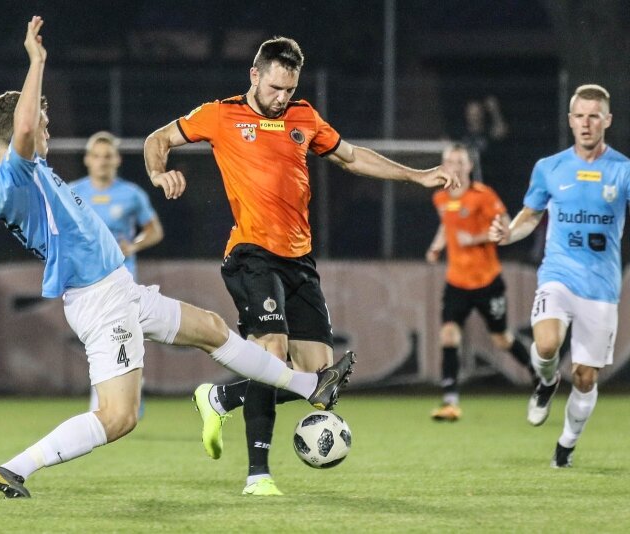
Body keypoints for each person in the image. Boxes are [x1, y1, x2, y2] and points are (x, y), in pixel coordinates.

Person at [0, 17, 355, 499]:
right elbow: (25, 126)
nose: (47, 132)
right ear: (22, 132)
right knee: (118, 417)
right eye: (44, 126)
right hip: (100, 300)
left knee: (212, 329)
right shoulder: (16, 173)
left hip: (118, 289)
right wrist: (37, 60)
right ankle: (13, 468)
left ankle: (309, 387)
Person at [144, 36, 459, 495]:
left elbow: (352, 156)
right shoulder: (220, 114)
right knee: (271, 355)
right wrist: (159, 172)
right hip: (251, 253)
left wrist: (416, 175)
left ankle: (220, 398)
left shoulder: (304, 117)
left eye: (289, 89)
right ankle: (258, 475)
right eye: (275, 88)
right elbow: (158, 139)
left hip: (300, 260)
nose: (281, 97)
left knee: (319, 379)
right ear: (254, 75)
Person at [489, 84, 629, 468]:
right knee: (547, 344)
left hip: (601, 287)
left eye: (594, 116)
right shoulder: (549, 167)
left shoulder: (623, 170)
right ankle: (546, 381)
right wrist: (508, 233)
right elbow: (531, 214)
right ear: (570, 120)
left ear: (607, 120)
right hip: (558, 275)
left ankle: (566, 445)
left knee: (585, 378)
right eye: (580, 116)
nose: (586, 123)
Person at [426, 144, 535, 421]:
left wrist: (474, 238)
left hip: (487, 282)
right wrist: (437, 246)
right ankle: (450, 400)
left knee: (501, 338)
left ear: (469, 166)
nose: (455, 166)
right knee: (448, 334)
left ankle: (538, 373)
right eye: (450, 161)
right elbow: (446, 224)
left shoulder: (483, 196)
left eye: (460, 161)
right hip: (456, 283)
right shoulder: (440, 197)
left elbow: (506, 226)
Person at [70, 131, 164, 414]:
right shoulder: (72, 192)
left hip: (121, 278)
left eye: (107, 156)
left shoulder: (131, 194)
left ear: (117, 160)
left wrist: (133, 246)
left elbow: (154, 231)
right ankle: (130, 387)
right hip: (85, 281)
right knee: (109, 340)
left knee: (109, 338)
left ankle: (101, 409)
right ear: (87, 159)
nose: (102, 161)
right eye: (97, 156)